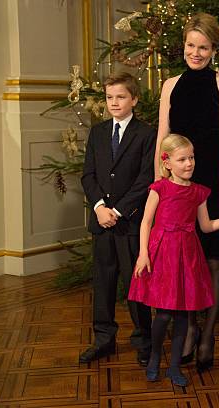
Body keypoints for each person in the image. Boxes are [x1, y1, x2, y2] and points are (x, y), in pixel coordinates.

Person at [154, 12, 219, 371]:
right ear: (183, 47)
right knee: (185, 262)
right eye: (191, 45)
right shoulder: (170, 85)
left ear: (213, 50)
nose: (196, 52)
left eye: (203, 47)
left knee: (214, 263)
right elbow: (162, 136)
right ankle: (189, 329)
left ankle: (208, 336)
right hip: (178, 182)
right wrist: (159, 187)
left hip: (215, 181)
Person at [129, 134, 219, 386]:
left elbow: (207, 226)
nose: (189, 163)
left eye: (191, 158)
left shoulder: (198, 192)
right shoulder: (159, 188)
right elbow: (146, 222)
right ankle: (156, 357)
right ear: (167, 162)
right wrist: (143, 254)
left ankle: (175, 366)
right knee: (164, 314)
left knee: (181, 316)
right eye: (182, 159)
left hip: (187, 255)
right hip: (162, 253)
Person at [79, 72, 155, 366]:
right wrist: (99, 207)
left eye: (120, 97)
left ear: (134, 99)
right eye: (109, 97)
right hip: (101, 222)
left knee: (135, 284)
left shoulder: (146, 134)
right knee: (103, 282)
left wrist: (119, 211)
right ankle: (103, 338)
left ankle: (143, 339)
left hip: (130, 224)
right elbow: (88, 174)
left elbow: (145, 178)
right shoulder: (97, 132)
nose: (114, 102)